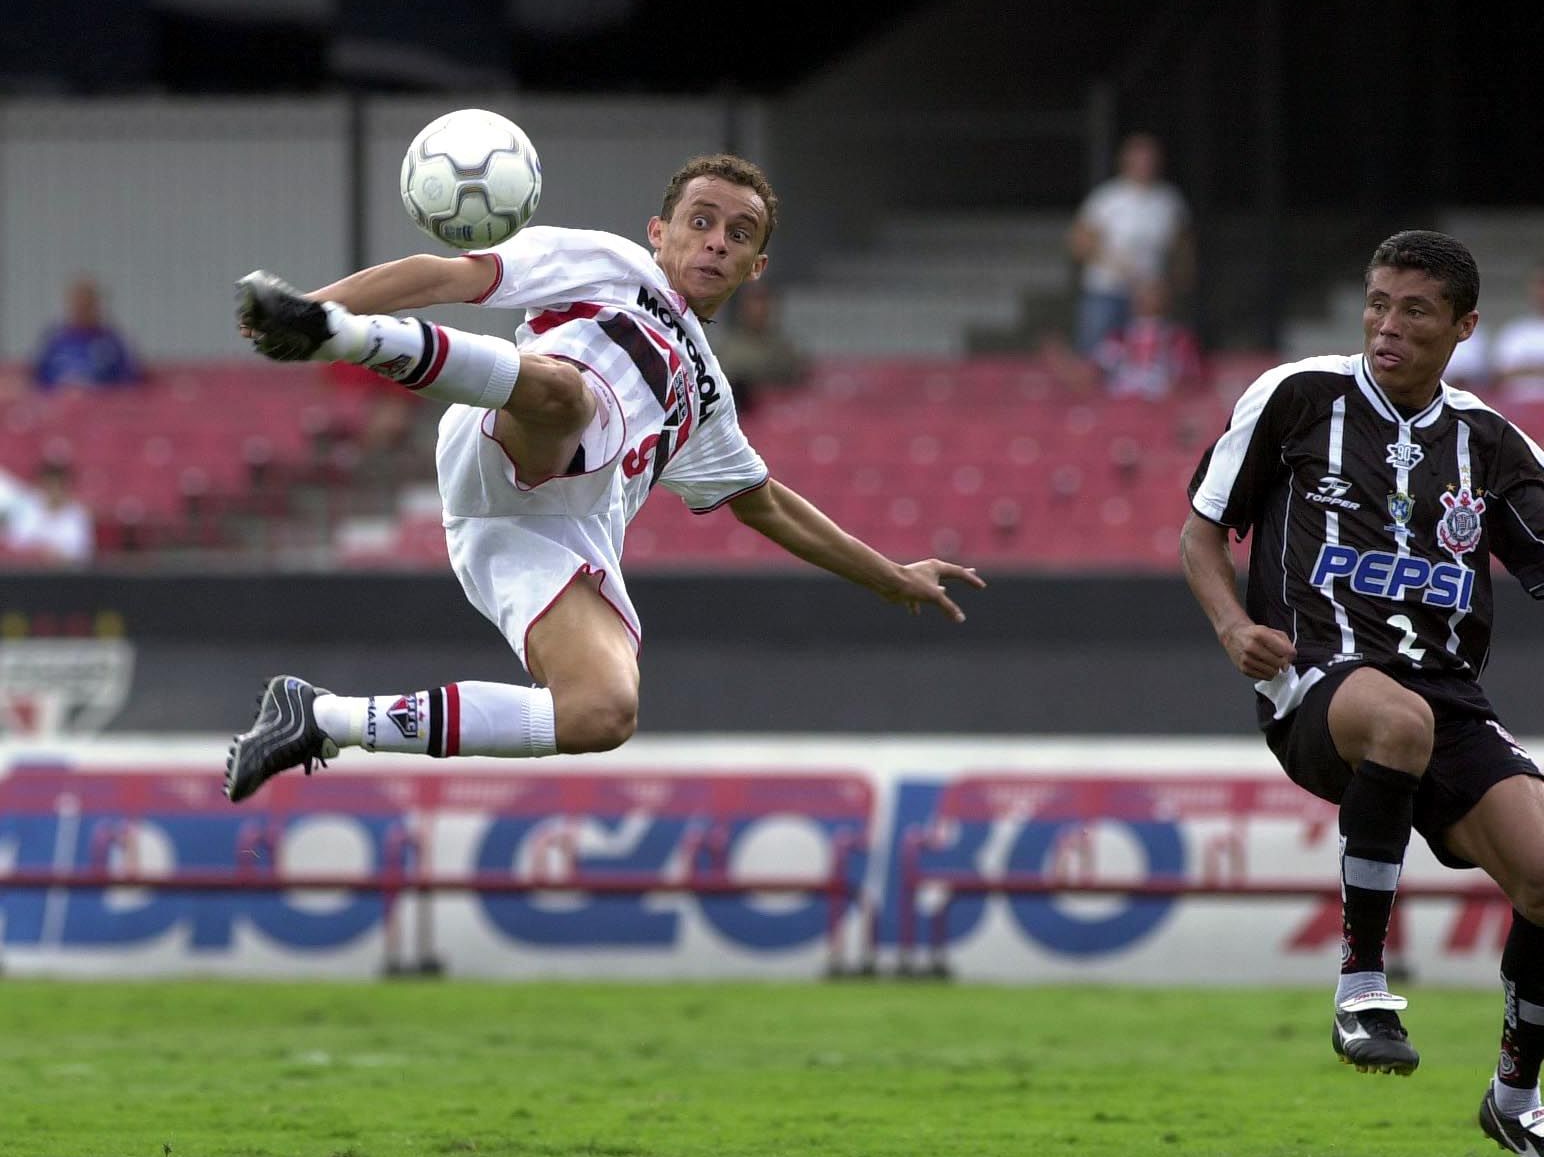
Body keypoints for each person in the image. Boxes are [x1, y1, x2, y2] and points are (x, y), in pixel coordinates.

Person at [225, 152, 985, 801]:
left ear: (756, 268)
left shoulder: (711, 399)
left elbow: (769, 507)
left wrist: (889, 577)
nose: (716, 241)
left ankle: (317, 720)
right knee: (571, 396)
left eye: (738, 234)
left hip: (548, 533)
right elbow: (444, 275)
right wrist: (314, 308)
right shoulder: (610, 262)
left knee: (603, 712)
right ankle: (334, 338)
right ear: (660, 232)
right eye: (701, 220)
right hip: (507, 431)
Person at [1181, 229, 1544, 1157]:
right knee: (1394, 718)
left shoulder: (1493, 445)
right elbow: (1202, 532)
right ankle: (1363, 985)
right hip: (1317, 688)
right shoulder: (1299, 397)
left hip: (1450, 701)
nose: (1387, 326)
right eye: (1378, 303)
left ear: (1464, 328)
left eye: (1414, 311)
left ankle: (1513, 1098)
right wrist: (1232, 630)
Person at [1066, 131, 1195, 358]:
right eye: (1139, 159)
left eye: (1149, 159)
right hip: (1106, 290)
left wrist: (1176, 282)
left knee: (1144, 358)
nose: (1144, 165)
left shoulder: (1168, 200)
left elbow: (1182, 246)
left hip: (1149, 296)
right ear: (1125, 162)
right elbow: (1079, 243)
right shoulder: (1107, 198)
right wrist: (1117, 266)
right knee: (1098, 355)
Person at [31, 276, 143, 391]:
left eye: (87, 303)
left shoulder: (113, 343)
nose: (81, 308)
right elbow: (38, 382)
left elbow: (128, 385)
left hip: (100, 405)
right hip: (61, 405)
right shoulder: (55, 342)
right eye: (76, 303)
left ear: (97, 305)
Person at [712, 279, 808, 413]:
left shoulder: (785, 348)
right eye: (754, 301)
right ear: (741, 306)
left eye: (764, 300)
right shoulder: (728, 350)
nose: (760, 308)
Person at [1, 460, 94, 563]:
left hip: (65, 574)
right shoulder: (28, 508)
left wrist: (55, 554)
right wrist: (38, 551)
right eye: (49, 484)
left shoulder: (78, 515)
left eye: (59, 485)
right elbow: (14, 542)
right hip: (28, 571)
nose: (54, 490)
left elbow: (82, 552)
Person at [1492, 264, 1544, 405]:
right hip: (1520, 409)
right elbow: (1502, 374)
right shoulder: (1515, 332)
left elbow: (1513, 371)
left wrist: (1525, 368)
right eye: (1540, 285)